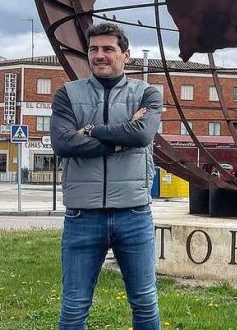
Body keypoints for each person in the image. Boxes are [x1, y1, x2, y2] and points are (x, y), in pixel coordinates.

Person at [50, 22, 163, 330]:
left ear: (125, 55)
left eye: (108, 49)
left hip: (134, 214)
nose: (99, 55)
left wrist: (89, 131)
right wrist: (119, 138)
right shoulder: (67, 95)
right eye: (93, 49)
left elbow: (141, 135)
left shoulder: (147, 94)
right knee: (74, 307)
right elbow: (62, 143)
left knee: (144, 301)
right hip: (82, 217)